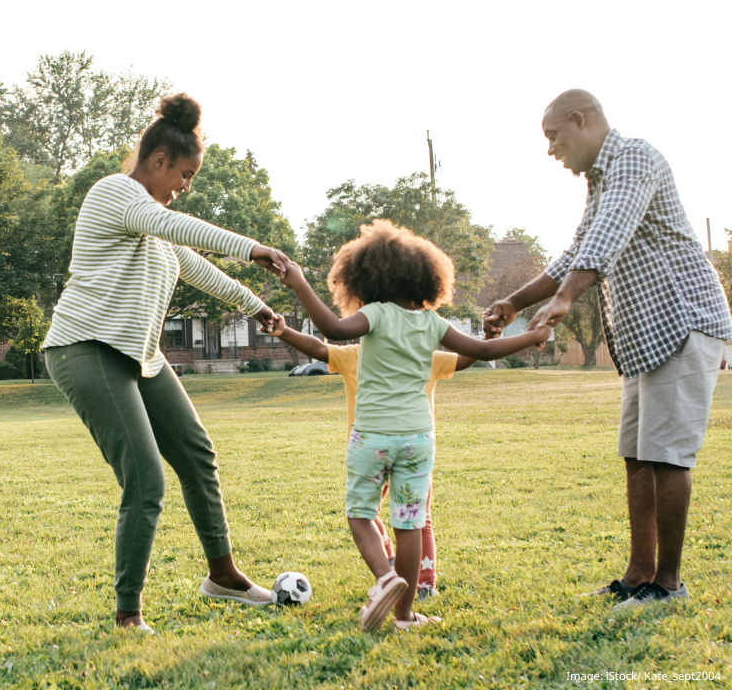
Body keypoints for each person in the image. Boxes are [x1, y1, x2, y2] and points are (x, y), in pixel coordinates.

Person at [43, 93, 291, 632]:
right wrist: (254, 248)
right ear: (158, 162)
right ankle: (128, 614)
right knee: (146, 479)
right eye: (185, 174)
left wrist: (258, 306)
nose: (185, 186)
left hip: (139, 355)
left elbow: (197, 265)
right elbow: (188, 231)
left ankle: (223, 576)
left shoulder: (152, 224)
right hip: (85, 348)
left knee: (197, 452)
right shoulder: (115, 195)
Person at [484, 90, 732, 609]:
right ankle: (639, 574)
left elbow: (607, 239)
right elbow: (576, 249)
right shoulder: (600, 181)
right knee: (637, 457)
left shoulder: (635, 158)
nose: (551, 150)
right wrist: (512, 301)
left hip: (682, 320)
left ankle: (668, 585)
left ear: (581, 121)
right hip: (645, 337)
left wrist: (567, 298)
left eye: (554, 136)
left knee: (667, 458)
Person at [279, 221, 551, 630]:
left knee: (360, 514)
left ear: (366, 278)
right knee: (409, 521)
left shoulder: (375, 314)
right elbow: (481, 349)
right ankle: (405, 615)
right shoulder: (433, 323)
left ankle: (386, 578)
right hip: (418, 438)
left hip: (372, 435)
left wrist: (299, 282)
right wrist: (532, 337)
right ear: (424, 278)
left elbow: (332, 332)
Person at [270, 316, 488, 599]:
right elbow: (466, 358)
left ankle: (398, 572)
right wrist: (487, 336)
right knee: (417, 519)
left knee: (364, 513)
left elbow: (318, 348)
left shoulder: (356, 356)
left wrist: (284, 331)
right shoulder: (420, 357)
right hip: (412, 450)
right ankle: (420, 583)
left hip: (369, 450)